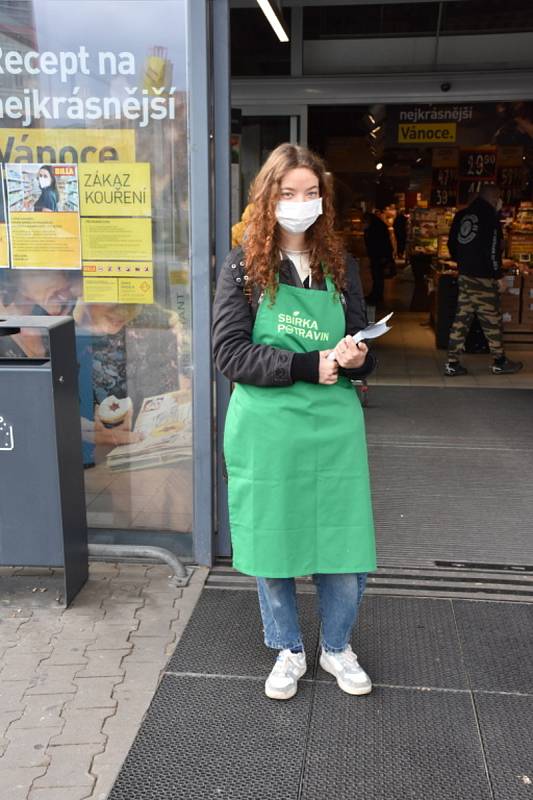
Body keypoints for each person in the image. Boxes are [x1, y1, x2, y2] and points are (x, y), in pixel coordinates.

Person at [213, 143, 377, 701]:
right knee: (273, 539)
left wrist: (358, 358)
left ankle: (337, 647)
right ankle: (287, 647)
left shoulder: (340, 262)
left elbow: (359, 342)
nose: (300, 204)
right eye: (288, 194)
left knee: (343, 539)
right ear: (268, 198)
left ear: (323, 201)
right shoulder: (243, 265)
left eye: (310, 193)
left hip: (333, 426)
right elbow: (230, 353)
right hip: (268, 425)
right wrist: (308, 364)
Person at [444, 185, 523, 376]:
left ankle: (452, 362)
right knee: (492, 319)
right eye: (499, 198)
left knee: (461, 319)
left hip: (465, 274)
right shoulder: (490, 218)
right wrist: (498, 276)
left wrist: (463, 262)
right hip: (483, 278)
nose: (500, 203)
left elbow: (451, 244)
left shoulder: (462, 215)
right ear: (494, 197)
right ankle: (499, 361)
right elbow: (493, 250)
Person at [363, 210, 394, 306]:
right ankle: (376, 294)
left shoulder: (376, 228)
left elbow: (379, 243)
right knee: (377, 276)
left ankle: (377, 295)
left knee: (378, 275)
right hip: (379, 255)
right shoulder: (379, 226)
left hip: (379, 255)